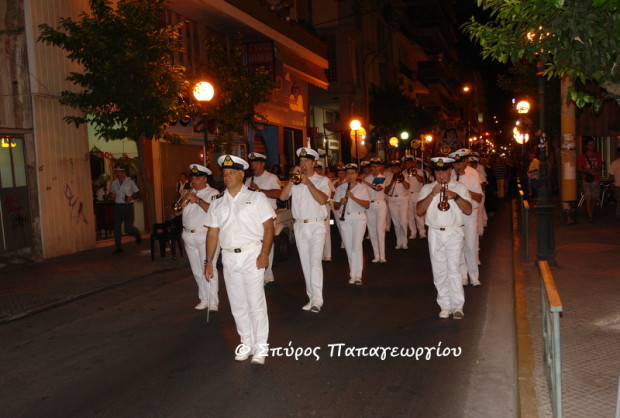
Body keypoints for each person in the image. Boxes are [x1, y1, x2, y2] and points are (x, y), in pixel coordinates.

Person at [204, 155, 276, 365]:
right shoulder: (217, 201)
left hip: (251, 253)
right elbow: (212, 233)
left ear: (241, 174)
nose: (227, 176)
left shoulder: (256, 197)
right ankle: (246, 341)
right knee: (237, 304)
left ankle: (260, 347)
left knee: (255, 302)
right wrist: (208, 261)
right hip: (229, 256)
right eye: (225, 173)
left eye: (231, 172)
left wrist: (264, 253)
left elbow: (269, 227)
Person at [417, 157, 472, 319]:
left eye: (444, 171)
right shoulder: (427, 188)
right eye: (438, 171)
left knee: (453, 269)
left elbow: (468, 210)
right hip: (434, 232)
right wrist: (432, 195)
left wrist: (455, 197)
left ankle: (458, 305)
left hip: (454, 232)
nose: (441, 174)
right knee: (439, 271)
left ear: (450, 171)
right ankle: (445, 305)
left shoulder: (459, 187)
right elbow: (419, 210)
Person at [280, 147, 330, 313]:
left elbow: (322, 200)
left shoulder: (322, 180)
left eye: (306, 161)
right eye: (301, 161)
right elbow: (282, 197)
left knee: (315, 262)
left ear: (314, 163)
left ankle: (318, 299)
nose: (303, 164)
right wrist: (291, 179)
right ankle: (311, 297)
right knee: (306, 264)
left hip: (316, 225)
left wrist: (308, 182)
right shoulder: (295, 181)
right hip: (300, 225)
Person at [178, 164, 220, 310]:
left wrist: (197, 199)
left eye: (197, 178)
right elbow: (177, 212)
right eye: (192, 178)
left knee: (209, 268)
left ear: (204, 179)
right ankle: (204, 298)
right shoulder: (189, 192)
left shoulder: (214, 193)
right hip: (188, 234)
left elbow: (214, 211)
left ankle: (213, 301)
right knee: (196, 271)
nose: (194, 180)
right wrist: (183, 199)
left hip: (205, 234)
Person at [245, 152, 282, 283]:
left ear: (262, 164)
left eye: (256, 163)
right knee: (255, 246)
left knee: (267, 245)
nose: (253, 166)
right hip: (253, 218)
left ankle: (267, 274)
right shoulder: (248, 180)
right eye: (252, 163)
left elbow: (278, 194)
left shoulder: (271, 177)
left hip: (268, 217)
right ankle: (258, 274)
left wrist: (259, 190)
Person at [449, 149, 483, 287]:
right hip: (455, 216)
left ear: (465, 163)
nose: (457, 166)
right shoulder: (449, 178)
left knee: (470, 246)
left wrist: (465, 191)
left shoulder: (472, 177)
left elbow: (479, 197)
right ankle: (463, 275)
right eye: (455, 163)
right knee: (458, 247)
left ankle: (474, 276)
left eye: (460, 163)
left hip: (469, 215)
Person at [334, 163, 370, 284]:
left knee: (356, 246)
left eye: (352, 173)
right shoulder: (341, 188)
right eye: (348, 173)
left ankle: (358, 275)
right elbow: (335, 205)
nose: (350, 176)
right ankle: (352, 274)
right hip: (345, 219)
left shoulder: (362, 187)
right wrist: (340, 202)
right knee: (348, 247)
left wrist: (353, 198)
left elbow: (367, 205)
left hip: (358, 218)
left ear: (356, 174)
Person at [109, 164, 141, 254]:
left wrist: (131, 197)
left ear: (124, 173)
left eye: (119, 172)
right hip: (118, 207)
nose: (117, 173)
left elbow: (137, 192)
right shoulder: (114, 182)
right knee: (116, 228)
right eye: (116, 172)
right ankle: (118, 247)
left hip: (128, 207)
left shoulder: (130, 181)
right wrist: (112, 195)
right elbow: (111, 193)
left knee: (128, 228)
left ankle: (136, 234)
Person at [360, 158, 387, 263]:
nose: (375, 168)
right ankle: (376, 255)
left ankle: (382, 256)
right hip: (369, 205)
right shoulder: (368, 178)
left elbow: (377, 188)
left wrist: (365, 181)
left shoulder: (381, 177)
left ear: (380, 167)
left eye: (377, 166)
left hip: (380, 204)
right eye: (373, 166)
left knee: (380, 230)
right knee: (372, 231)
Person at [385, 160, 410, 249]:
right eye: (392, 167)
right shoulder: (388, 177)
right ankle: (399, 241)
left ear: (399, 168)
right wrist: (392, 181)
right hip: (392, 200)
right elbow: (385, 191)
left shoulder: (404, 175)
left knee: (403, 221)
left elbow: (408, 187)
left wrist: (402, 179)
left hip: (402, 199)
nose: (394, 169)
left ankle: (404, 242)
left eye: (396, 167)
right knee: (396, 222)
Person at [577, 138, 603, 222]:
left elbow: (600, 166)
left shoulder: (597, 155)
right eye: (590, 145)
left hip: (595, 178)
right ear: (586, 146)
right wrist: (587, 171)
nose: (592, 146)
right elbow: (579, 168)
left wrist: (595, 170)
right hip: (587, 179)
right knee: (588, 197)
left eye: (593, 144)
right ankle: (590, 216)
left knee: (595, 197)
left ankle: (590, 212)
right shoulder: (582, 156)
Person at [315, 160, 336, 262]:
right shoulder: (312, 180)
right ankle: (320, 254)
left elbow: (333, 192)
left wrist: (329, 201)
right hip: (315, 208)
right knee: (317, 231)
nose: (317, 171)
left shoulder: (326, 180)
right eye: (315, 169)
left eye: (318, 169)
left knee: (326, 230)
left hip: (325, 206)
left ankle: (328, 254)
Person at [403, 155, 426, 239]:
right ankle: (413, 232)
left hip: (417, 194)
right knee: (410, 215)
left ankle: (422, 232)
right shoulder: (403, 173)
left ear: (413, 163)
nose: (408, 164)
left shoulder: (419, 171)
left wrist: (415, 174)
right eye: (406, 163)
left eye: (410, 162)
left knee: (419, 214)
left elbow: (422, 180)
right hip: (407, 194)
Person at [608, 147, 620, 220]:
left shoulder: (614, 163)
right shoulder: (615, 163)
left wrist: (611, 184)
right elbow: (611, 176)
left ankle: (618, 215)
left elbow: (611, 175)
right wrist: (611, 184)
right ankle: (618, 215)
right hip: (617, 185)